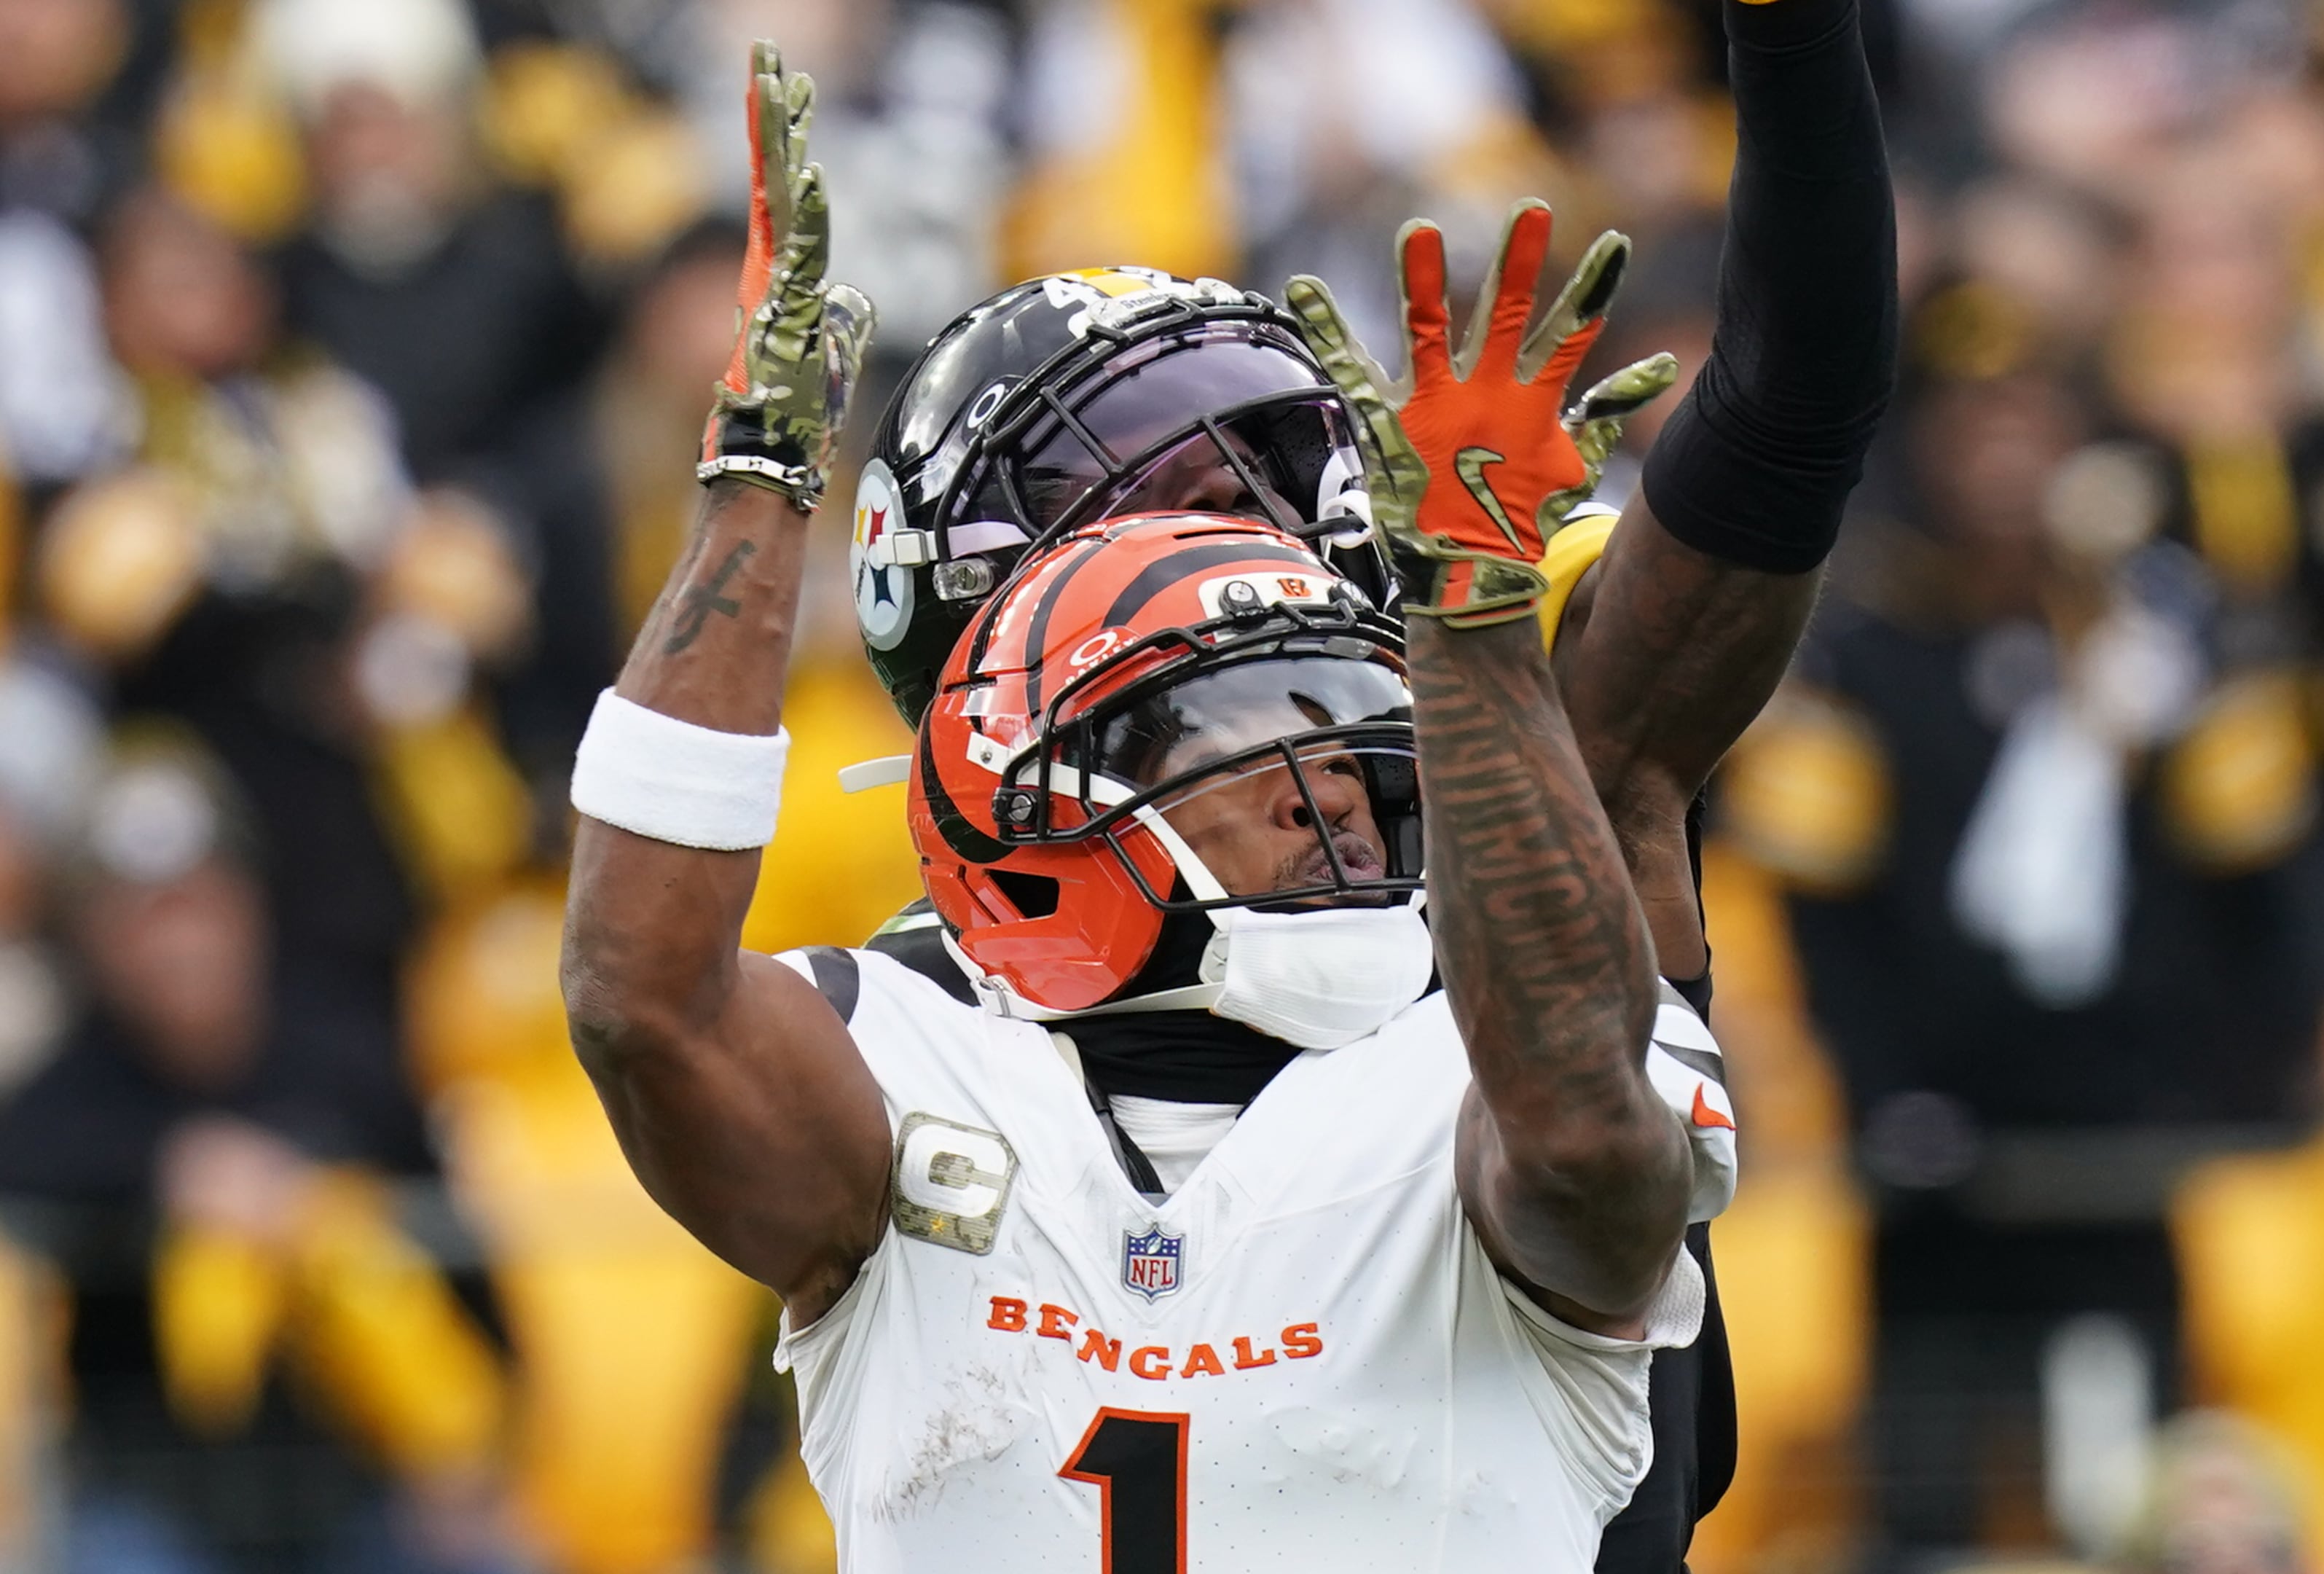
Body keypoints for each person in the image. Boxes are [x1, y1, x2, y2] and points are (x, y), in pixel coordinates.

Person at [560, 43, 1742, 1572]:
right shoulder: (916, 1064)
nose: (1329, 780)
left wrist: (1468, 626)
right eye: (1246, 724)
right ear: (1039, 797)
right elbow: (636, 1001)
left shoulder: (1473, 1061)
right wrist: (761, 466)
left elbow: (1587, 1135)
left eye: (1346, 719)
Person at [841, 2, 1897, 1563]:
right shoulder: (943, 993)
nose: (1272, 517)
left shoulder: (1500, 676)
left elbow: (1791, 414)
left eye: (1276, 459)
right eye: (1187, 483)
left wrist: (1792, 39)